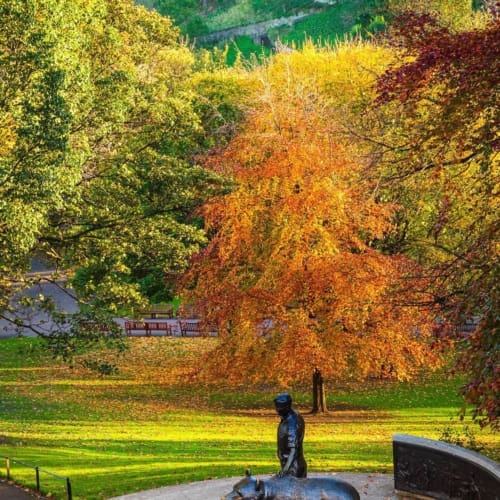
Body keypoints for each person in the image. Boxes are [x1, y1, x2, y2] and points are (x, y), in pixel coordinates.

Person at [274, 393, 307, 478]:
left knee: (294, 490)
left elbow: (294, 450)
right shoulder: (286, 417)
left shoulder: (293, 423)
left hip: (293, 468)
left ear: (287, 407)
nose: (277, 410)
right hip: (288, 464)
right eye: (277, 407)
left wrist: (285, 470)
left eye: (279, 408)